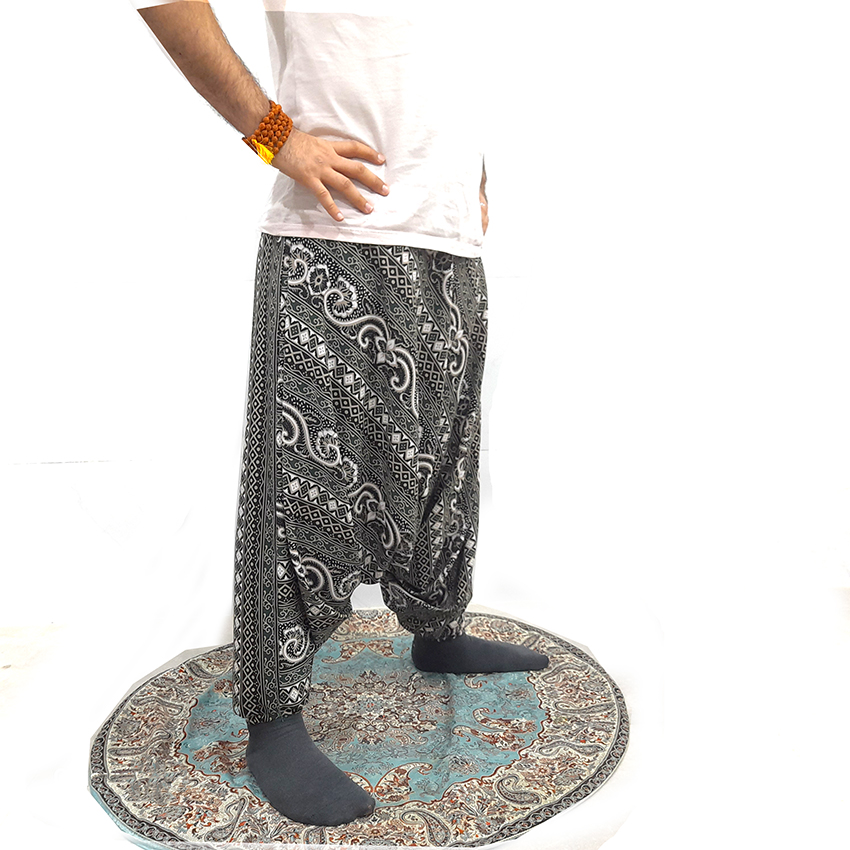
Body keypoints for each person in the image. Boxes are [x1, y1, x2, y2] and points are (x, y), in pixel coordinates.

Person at [135, 0, 549, 827]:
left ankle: (436, 630)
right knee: (302, 490)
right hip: (333, 234)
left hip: (447, 236)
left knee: (442, 461)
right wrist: (275, 136)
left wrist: (470, 168)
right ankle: (273, 717)